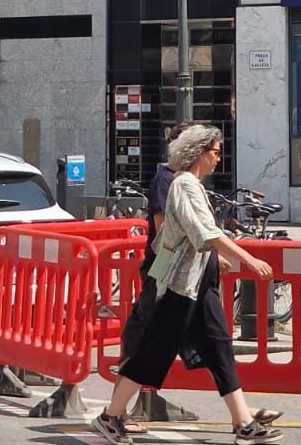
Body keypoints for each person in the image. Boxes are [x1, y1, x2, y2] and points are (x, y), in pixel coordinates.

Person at [94, 123, 283, 444]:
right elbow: (206, 233)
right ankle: (110, 416)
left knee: (220, 346)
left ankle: (243, 423)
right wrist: (248, 260)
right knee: (153, 353)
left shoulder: (191, 185)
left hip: (196, 285)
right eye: (215, 152)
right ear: (198, 152)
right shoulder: (183, 185)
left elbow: (199, 237)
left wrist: (216, 259)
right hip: (180, 287)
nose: (218, 159)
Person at [119, 126, 179, 362]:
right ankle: (130, 359)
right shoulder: (164, 180)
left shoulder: (184, 179)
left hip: (175, 257)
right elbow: (163, 228)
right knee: (148, 308)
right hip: (163, 255)